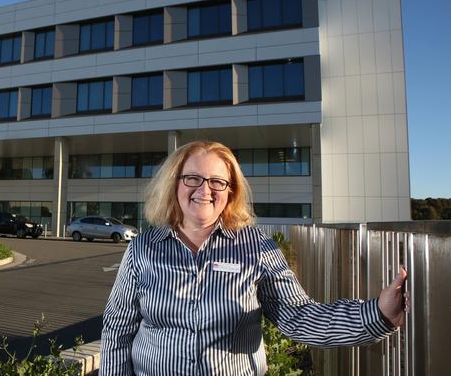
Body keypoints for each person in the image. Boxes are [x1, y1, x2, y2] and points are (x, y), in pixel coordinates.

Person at [100, 140, 407, 375]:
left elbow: (297, 317)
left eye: (217, 181)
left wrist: (378, 314)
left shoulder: (257, 248)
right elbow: (117, 329)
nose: (204, 190)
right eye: (192, 178)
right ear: (175, 184)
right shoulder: (143, 248)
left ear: (230, 192)